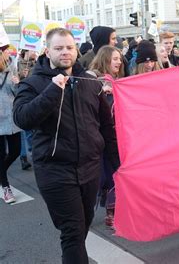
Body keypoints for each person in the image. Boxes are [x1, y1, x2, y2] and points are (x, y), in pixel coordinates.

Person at [13, 28, 120, 262]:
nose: (65, 53)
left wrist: (118, 163)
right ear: (47, 50)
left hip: (89, 168)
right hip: (55, 170)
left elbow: (105, 126)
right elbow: (22, 118)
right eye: (58, 48)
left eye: (69, 48)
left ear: (76, 49)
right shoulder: (32, 83)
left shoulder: (90, 82)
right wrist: (53, 90)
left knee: (81, 228)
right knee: (72, 231)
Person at [88, 45, 124, 229]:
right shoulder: (92, 80)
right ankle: (108, 211)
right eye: (115, 58)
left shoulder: (118, 81)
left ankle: (113, 210)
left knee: (114, 174)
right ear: (105, 59)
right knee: (107, 175)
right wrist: (102, 93)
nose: (119, 61)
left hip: (118, 137)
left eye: (120, 58)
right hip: (100, 138)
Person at [0, 40, 21, 204]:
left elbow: (16, 93)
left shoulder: (12, 66)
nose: (8, 52)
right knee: (1, 154)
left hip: (11, 116)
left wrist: (17, 84)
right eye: (5, 50)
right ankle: (5, 187)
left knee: (15, 151)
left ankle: (1, 173)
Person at [17, 49, 39, 170]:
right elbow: (15, 83)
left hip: (34, 99)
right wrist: (21, 76)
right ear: (26, 51)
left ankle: (31, 152)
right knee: (25, 130)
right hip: (22, 100)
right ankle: (24, 156)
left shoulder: (36, 64)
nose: (35, 53)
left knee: (31, 129)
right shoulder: (17, 64)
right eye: (32, 51)